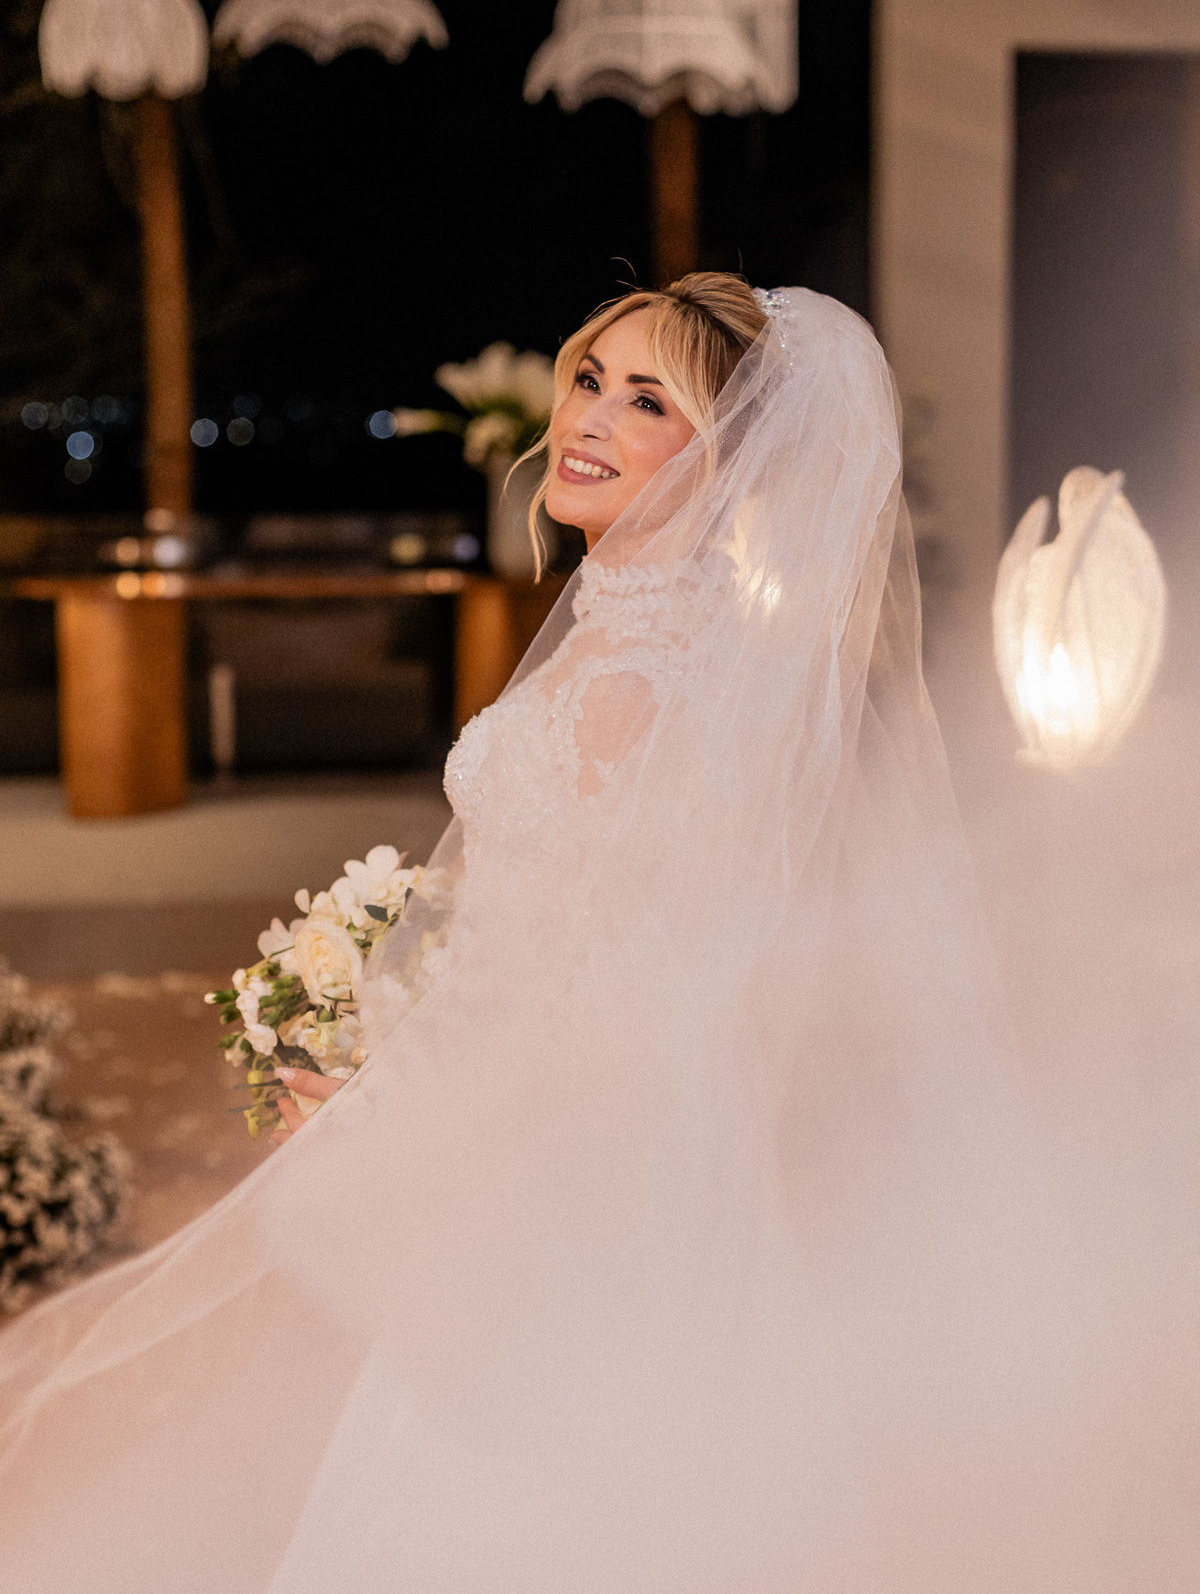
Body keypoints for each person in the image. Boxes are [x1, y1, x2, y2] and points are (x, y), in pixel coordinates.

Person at [0, 276, 1195, 1590]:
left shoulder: (642, 680)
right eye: (589, 379)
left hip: (580, 1193)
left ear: (734, 456)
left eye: (650, 402)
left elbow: (599, 998)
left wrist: (385, 1103)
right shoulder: (655, 643)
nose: (589, 419)